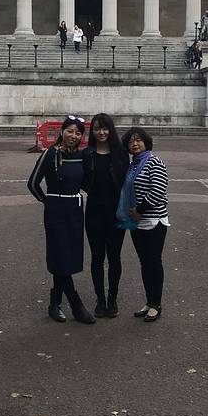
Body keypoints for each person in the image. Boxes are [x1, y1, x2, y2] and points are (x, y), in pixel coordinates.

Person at [27, 116, 95, 325]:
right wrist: (47, 201)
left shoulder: (81, 156)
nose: (73, 136)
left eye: (78, 133)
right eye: (70, 131)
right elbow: (33, 183)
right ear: (62, 131)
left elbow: (87, 184)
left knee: (67, 256)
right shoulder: (51, 154)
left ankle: (54, 302)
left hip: (75, 209)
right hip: (56, 210)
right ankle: (76, 304)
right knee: (60, 254)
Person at [117, 127, 169, 323]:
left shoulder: (154, 162)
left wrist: (139, 210)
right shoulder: (133, 165)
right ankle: (149, 301)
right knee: (145, 263)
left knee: (153, 262)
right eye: (131, 141)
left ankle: (156, 304)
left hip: (154, 220)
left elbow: (158, 190)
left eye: (138, 140)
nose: (135, 144)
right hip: (137, 222)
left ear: (146, 142)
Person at [82, 113, 129, 318]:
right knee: (97, 258)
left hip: (116, 213)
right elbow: (81, 179)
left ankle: (112, 298)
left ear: (110, 130)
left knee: (114, 257)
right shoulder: (87, 154)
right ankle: (100, 299)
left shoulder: (120, 154)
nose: (101, 132)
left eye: (105, 128)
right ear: (92, 131)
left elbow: (127, 181)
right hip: (94, 212)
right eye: (97, 129)